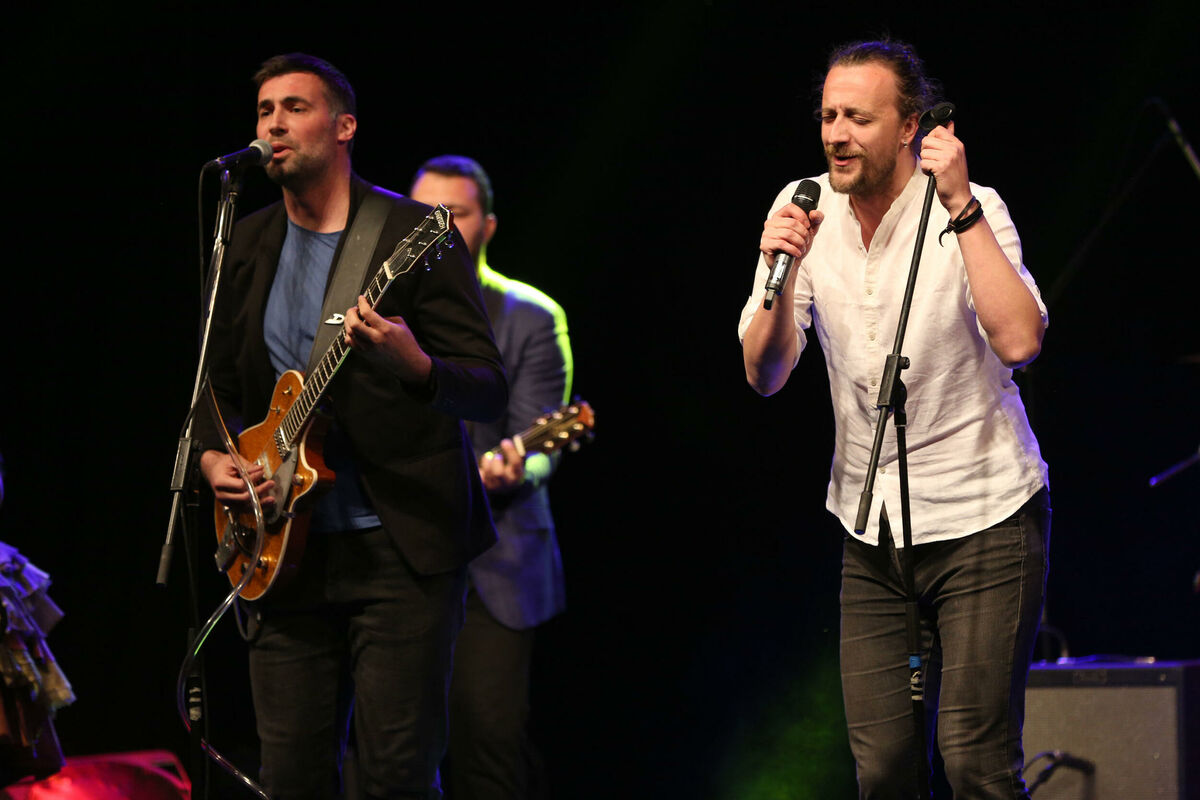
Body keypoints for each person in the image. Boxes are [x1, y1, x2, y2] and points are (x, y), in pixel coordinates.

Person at [738, 39, 1050, 799]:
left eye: (859, 118)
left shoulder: (970, 207)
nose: (837, 135)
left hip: (985, 518)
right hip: (871, 529)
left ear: (912, 127)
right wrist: (781, 268)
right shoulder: (802, 208)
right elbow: (765, 374)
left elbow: (1020, 341)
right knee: (883, 770)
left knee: (974, 762)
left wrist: (962, 206)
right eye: (828, 117)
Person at [194, 54, 507, 799]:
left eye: (294, 107)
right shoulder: (245, 242)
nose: (273, 124)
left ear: (344, 127)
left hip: (399, 552)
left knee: (396, 775)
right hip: (282, 552)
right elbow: (215, 387)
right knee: (291, 776)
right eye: (264, 110)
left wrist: (416, 365)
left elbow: (487, 387)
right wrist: (214, 458)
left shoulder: (414, 233)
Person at [410, 156, 571, 800]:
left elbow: (542, 438)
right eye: (424, 215)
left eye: (455, 214)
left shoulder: (531, 315)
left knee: (488, 750)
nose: (438, 227)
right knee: (390, 752)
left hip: (495, 565)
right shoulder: (379, 315)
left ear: (489, 226)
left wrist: (516, 468)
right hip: (400, 558)